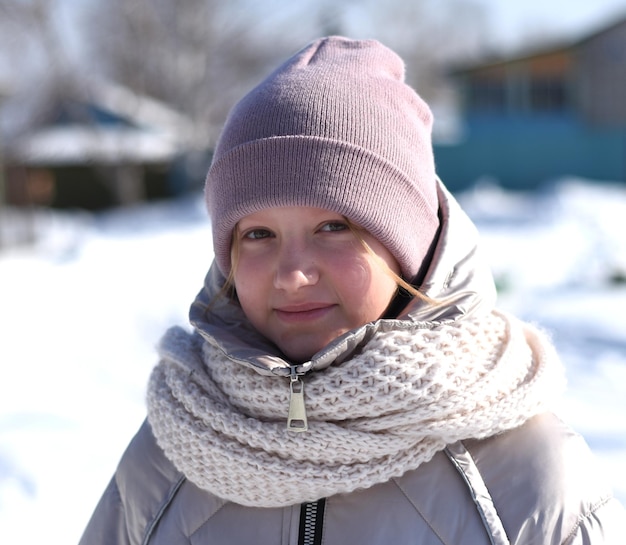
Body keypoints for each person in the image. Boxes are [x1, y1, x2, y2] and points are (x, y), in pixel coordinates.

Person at [79, 36, 625, 544]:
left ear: (408, 245)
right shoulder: (174, 448)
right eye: (258, 234)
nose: (292, 274)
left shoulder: (526, 476)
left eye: (334, 227)